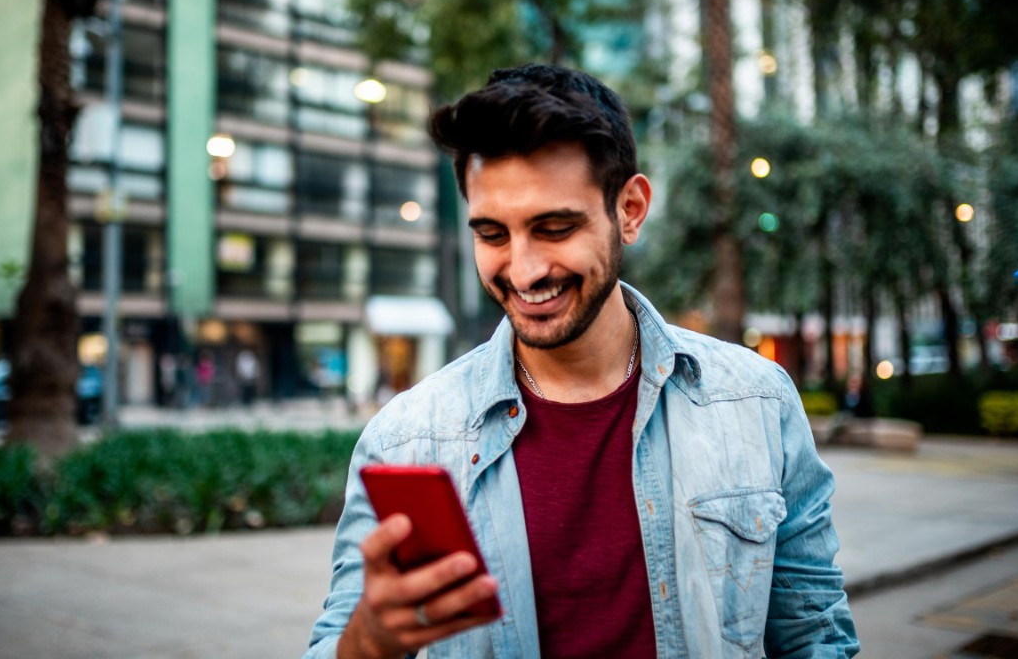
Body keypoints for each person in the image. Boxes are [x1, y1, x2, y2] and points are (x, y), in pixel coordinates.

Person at [306, 64, 859, 658]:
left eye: (554, 228)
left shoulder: (756, 400)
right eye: (492, 234)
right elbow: (333, 645)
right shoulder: (406, 439)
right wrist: (371, 642)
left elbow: (815, 638)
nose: (523, 270)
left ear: (631, 209)